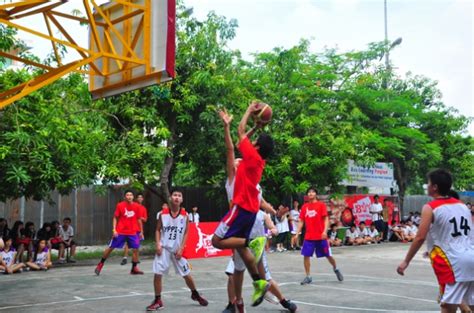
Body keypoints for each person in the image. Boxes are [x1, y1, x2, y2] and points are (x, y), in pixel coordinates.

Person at [212, 103, 275, 307]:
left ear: (255, 147)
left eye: (254, 140)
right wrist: (257, 127)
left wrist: (248, 110)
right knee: (244, 255)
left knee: (216, 241)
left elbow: (239, 134)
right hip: (249, 212)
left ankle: (249, 242)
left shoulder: (251, 157)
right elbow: (241, 141)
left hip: (239, 209)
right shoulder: (257, 161)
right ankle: (259, 282)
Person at [397, 169, 474, 313]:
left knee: (447, 306)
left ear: (435, 187)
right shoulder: (463, 206)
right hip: (471, 257)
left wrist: (406, 261)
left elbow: (420, 237)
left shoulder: (430, 207)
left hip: (453, 262)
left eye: (429, 182)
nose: (427, 185)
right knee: (470, 304)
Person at [146, 188, 208, 311]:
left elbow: (186, 233)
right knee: (157, 273)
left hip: (177, 250)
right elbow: (158, 229)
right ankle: (158, 300)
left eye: (179, 195)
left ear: (182, 199)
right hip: (164, 248)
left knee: (186, 274)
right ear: (170, 198)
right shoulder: (162, 214)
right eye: (174, 195)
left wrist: (181, 248)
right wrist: (158, 244)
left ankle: (195, 293)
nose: (176, 197)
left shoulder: (185, 215)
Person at [294, 186, 343, 285]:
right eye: (309, 192)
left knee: (328, 255)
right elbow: (301, 221)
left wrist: (325, 231)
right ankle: (308, 276)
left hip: (321, 236)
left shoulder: (321, 205)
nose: (310, 194)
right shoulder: (304, 207)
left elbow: (326, 219)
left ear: (316, 194)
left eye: (312, 192)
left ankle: (336, 268)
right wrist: (296, 234)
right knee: (306, 255)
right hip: (309, 236)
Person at [95, 190, 144, 275]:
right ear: (125, 197)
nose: (129, 196)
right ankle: (100, 264)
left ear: (133, 197)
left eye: (131, 195)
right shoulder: (120, 205)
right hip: (121, 231)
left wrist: (141, 231)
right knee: (111, 248)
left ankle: (134, 268)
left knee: (136, 249)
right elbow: (115, 218)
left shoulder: (137, 206)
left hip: (133, 232)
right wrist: (114, 230)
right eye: (127, 195)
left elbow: (139, 219)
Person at [122, 193, 148, 266]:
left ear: (142, 199)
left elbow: (145, 219)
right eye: (138, 197)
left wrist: (139, 217)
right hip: (130, 227)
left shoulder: (143, 208)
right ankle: (125, 257)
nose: (140, 198)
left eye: (141, 197)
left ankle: (136, 259)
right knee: (127, 243)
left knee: (137, 244)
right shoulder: (133, 205)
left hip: (138, 228)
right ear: (136, 198)